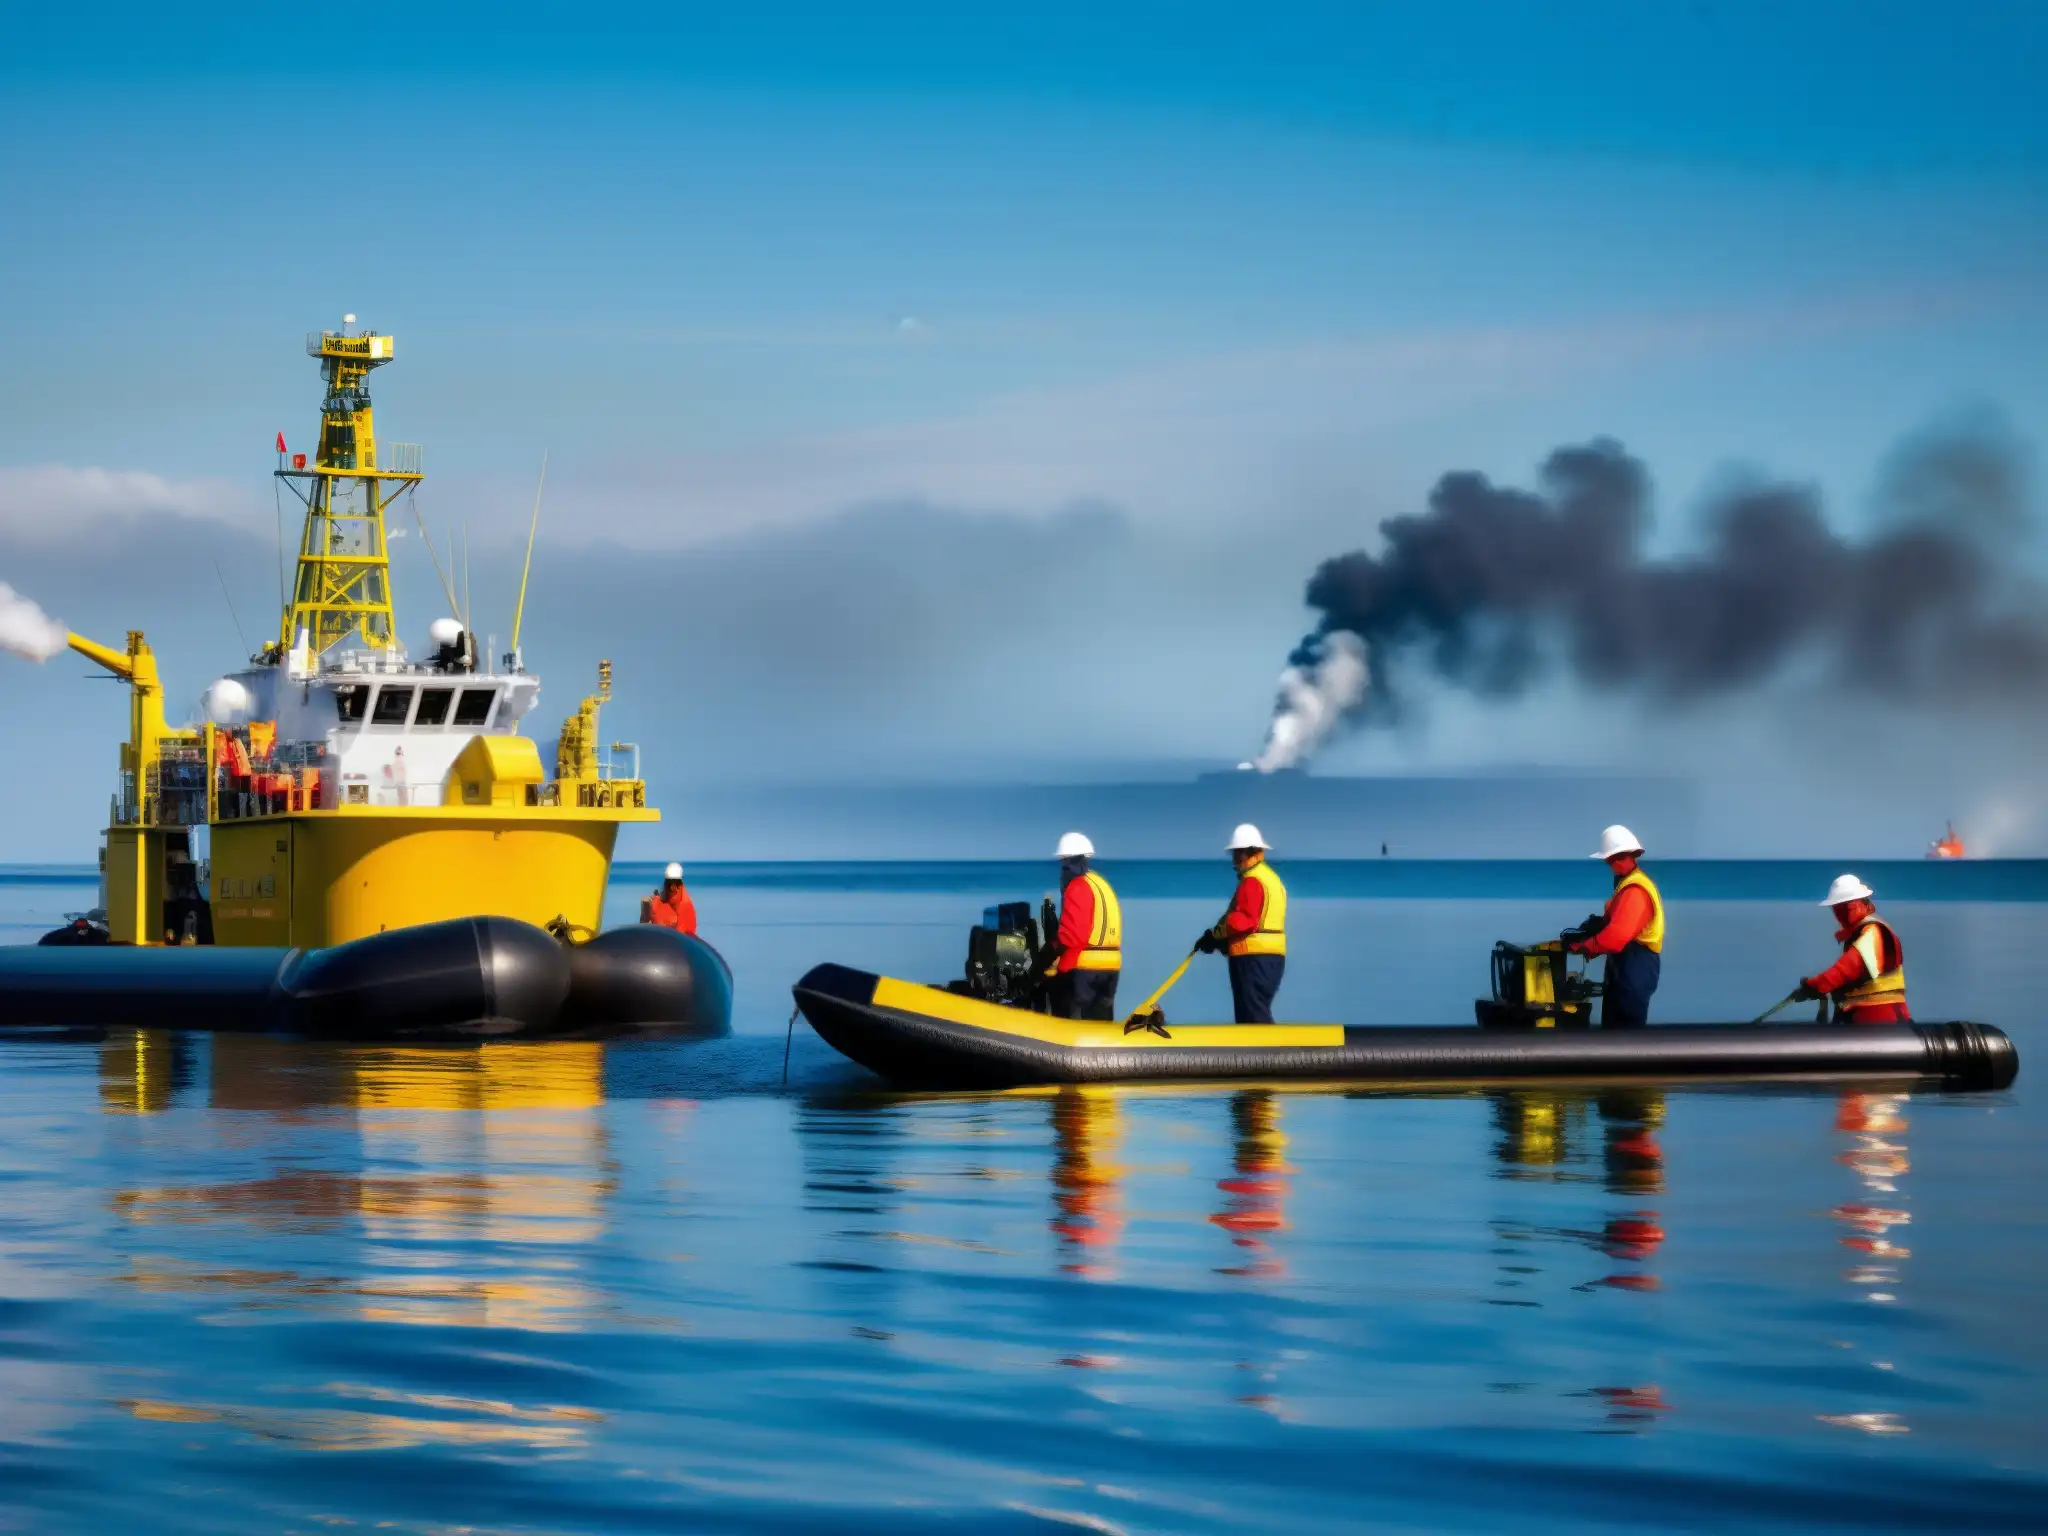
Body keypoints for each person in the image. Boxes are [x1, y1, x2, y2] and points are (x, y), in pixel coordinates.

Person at [1566, 824, 1664, 1028]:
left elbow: (1616, 938)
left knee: (1626, 1033)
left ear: (1619, 857)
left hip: (1637, 966)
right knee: (1613, 1029)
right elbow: (1615, 924)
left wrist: (1583, 946)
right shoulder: (1627, 884)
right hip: (1626, 965)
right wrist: (1594, 929)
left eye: (1609, 860)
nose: (1609, 865)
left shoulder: (1635, 890)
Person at [1197, 824, 1287, 1023]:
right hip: (1271, 957)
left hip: (1253, 957)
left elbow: (1243, 920)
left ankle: (1262, 1053)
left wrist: (1215, 936)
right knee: (1257, 1009)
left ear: (1244, 853)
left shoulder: (1252, 881)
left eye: (1236, 853)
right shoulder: (1271, 879)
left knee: (1252, 1016)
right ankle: (1267, 1051)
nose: (1234, 859)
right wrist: (1220, 940)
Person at [1795, 875, 1909, 1023]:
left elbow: (1846, 969)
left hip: (1878, 1015)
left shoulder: (1873, 932)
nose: (1843, 913)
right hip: (1874, 1014)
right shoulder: (1867, 932)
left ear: (1860, 904)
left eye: (1847, 907)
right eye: (1838, 908)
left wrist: (1815, 986)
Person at [1043, 832, 1122, 1020]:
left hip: (1085, 970)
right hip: (1111, 968)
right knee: (1100, 1022)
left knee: (1073, 1018)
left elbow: (1074, 936)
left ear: (1066, 860)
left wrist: (1054, 960)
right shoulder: (1102, 884)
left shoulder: (1078, 886)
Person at [641, 861, 698, 935]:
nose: (672, 887)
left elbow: (685, 933)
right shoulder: (656, 902)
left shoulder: (685, 906)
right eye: (669, 883)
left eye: (676, 883)